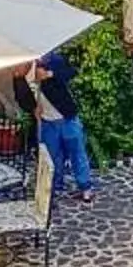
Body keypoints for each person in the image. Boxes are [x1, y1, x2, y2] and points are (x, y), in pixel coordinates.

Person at [25, 50, 97, 201]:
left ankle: (85, 188)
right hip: (47, 121)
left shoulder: (52, 59)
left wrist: (50, 74)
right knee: (52, 156)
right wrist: (33, 108)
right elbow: (23, 95)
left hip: (66, 118)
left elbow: (70, 72)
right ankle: (54, 186)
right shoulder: (23, 69)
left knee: (77, 152)